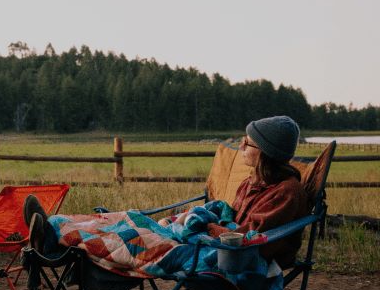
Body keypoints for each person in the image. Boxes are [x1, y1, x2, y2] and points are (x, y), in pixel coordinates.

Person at [25, 115, 308, 270]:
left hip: (225, 258)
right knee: (129, 218)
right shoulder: (253, 182)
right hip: (205, 240)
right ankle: (54, 225)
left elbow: (251, 240)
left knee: (130, 238)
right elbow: (228, 215)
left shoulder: (286, 193)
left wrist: (203, 225)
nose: (241, 147)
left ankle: (52, 239)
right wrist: (200, 217)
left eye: (247, 143)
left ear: (265, 153)